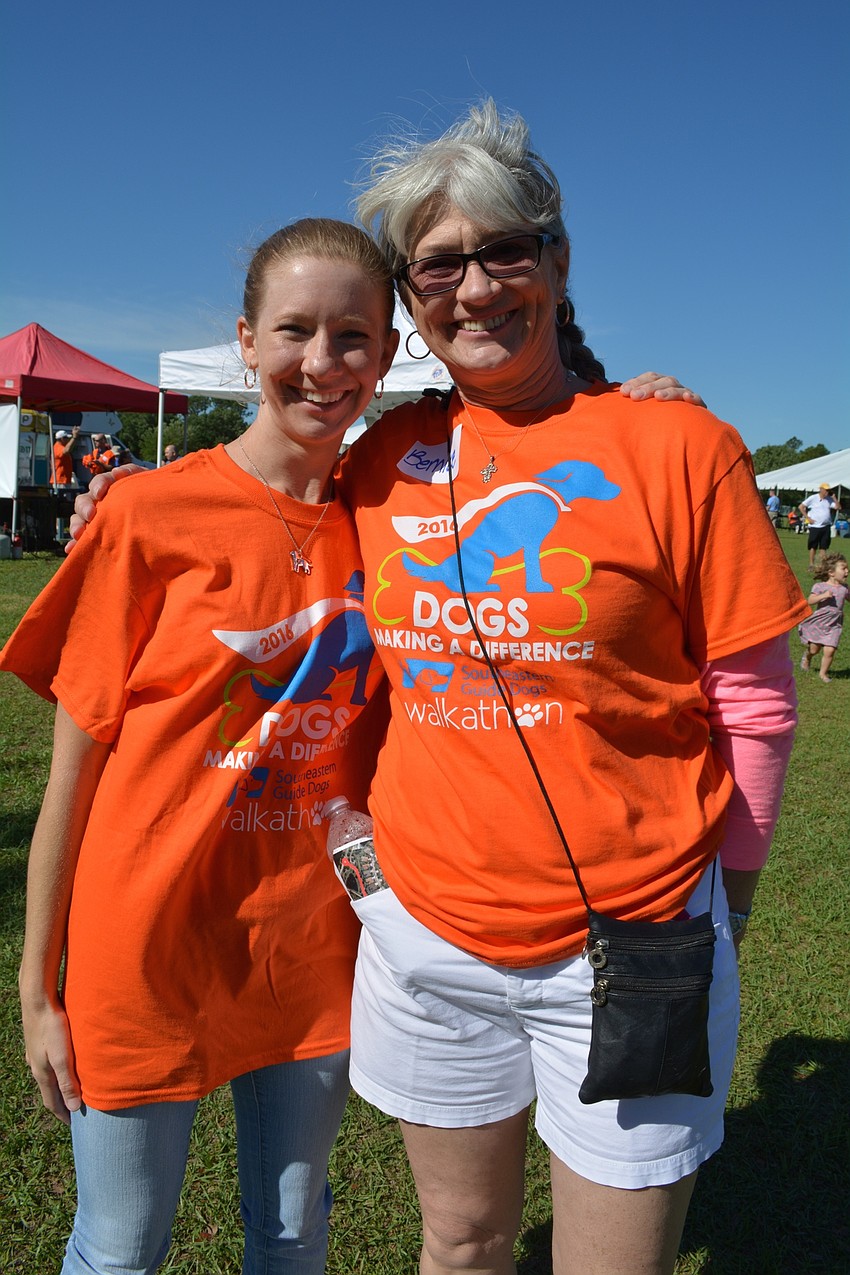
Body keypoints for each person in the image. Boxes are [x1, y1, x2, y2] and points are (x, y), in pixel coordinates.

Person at [333, 101, 807, 1275]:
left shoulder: (680, 447)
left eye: (505, 252)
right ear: (408, 296)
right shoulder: (381, 460)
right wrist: (112, 505)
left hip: (634, 944)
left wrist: (728, 910)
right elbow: (253, 551)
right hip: (422, 940)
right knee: (458, 1244)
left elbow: (755, 706)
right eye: (439, 265)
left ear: (555, 261)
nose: (476, 289)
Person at [0, 218, 400, 1275]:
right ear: (244, 340)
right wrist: (39, 991)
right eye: (294, 331)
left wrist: (622, 399)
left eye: (353, 336)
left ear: (389, 353)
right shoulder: (147, 514)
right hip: (144, 951)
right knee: (122, 1248)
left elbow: (524, 440)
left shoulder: (398, 514)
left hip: (311, 951)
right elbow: (69, 788)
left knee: (290, 1235)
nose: (322, 363)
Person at [799, 552, 848, 682]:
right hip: (820, 623)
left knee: (830, 650)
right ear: (831, 572)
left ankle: (823, 674)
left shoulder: (845, 588)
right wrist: (823, 596)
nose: (847, 571)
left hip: (835, 625)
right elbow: (810, 600)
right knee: (814, 649)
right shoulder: (820, 586)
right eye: (843, 568)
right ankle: (807, 657)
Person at [799, 483, 838, 571]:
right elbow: (801, 507)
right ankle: (811, 564)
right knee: (813, 546)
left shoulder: (829, 500)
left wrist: (834, 498)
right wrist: (808, 518)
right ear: (821, 489)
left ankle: (822, 565)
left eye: (828, 490)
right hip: (815, 526)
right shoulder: (813, 498)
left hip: (826, 526)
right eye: (826, 490)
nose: (827, 492)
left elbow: (838, 508)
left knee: (823, 546)